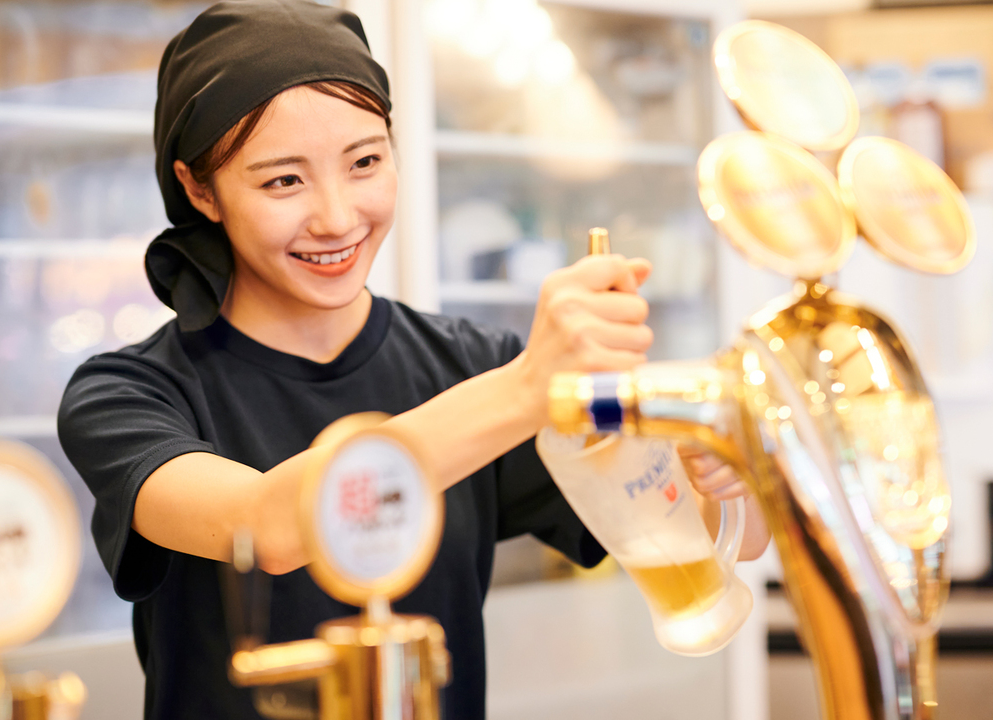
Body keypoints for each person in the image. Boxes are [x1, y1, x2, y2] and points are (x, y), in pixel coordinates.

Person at [57, 2, 768, 718]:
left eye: (365, 162)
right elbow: (266, 528)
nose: (338, 218)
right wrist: (528, 386)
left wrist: (732, 466)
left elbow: (719, 538)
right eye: (284, 181)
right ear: (199, 188)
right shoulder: (126, 395)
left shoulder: (473, 365)